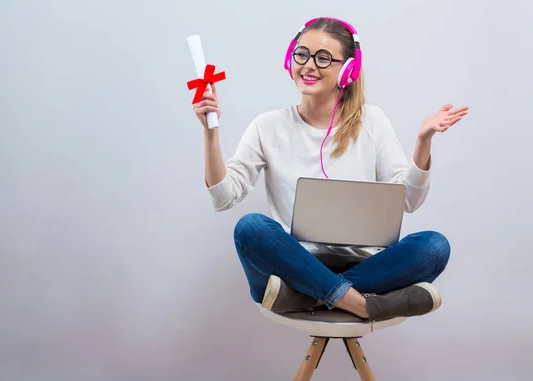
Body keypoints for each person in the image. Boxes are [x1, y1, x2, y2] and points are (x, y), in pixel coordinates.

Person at [191, 17, 468, 322]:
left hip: (358, 267)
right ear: (289, 58)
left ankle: (309, 298)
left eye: (323, 58)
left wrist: (423, 142)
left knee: (433, 246)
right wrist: (210, 133)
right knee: (251, 228)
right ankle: (363, 304)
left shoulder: (371, 121)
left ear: (348, 70)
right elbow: (222, 198)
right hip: (291, 267)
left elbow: (410, 201)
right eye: (302, 54)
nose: (309, 65)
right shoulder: (267, 126)